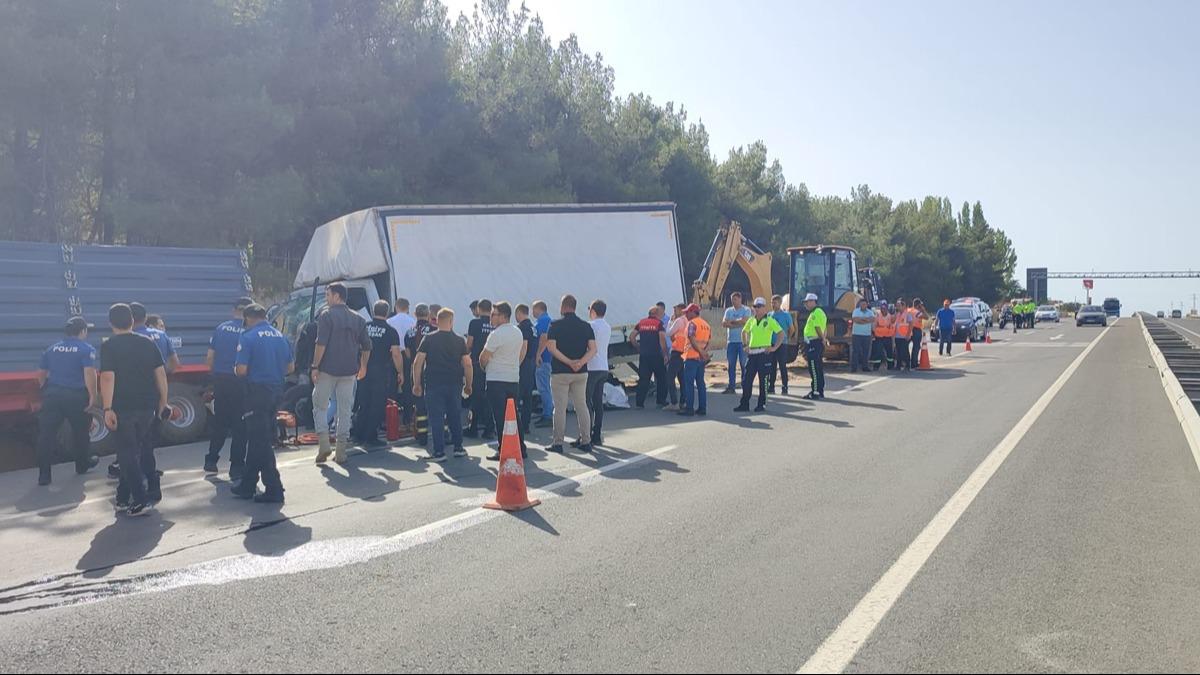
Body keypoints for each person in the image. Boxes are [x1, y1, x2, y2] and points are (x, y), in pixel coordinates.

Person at [100, 303, 168, 517]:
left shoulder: (109, 345)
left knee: (127, 454)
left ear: (110, 323)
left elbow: (108, 377)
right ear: (132, 321)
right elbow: (161, 375)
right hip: (147, 406)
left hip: (123, 407)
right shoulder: (148, 343)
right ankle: (122, 497)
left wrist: (107, 408)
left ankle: (140, 499)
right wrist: (163, 402)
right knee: (137, 449)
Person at [232, 304, 294, 503]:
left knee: (261, 441)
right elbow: (290, 367)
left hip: (256, 392)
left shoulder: (248, 337)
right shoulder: (280, 336)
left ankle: (274, 487)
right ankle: (248, 485)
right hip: (276, 390)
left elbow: (241, 370)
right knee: (259, 438)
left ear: (248, 317)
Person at [312, 282, 372, 465]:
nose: (326, 298)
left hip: (328, 369)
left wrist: (315, 365)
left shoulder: (326, 316)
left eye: (328, 294)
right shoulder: (359, 319)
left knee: (320, 405)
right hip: (349, 371)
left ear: (337, 296)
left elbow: (320, 343)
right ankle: (341, 451)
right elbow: (367, 346)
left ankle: (323, 443)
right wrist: (363, 366)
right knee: (345, 410)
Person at [36, 316, 100, 486]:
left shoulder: (52, 349)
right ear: (83, 331)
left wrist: (44, 389)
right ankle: (82, 464)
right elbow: (89, 373)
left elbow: (41, 373)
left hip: (53, 395)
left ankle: (44, 475)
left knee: (46, 436)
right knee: (80, 433)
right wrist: (93, 395)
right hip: (76, 396)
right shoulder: (86, 349)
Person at [412, 308, 473, 462]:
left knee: (436, 418)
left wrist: (416, 383)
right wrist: (469, 384)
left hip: (433, 384)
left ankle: (439, 452)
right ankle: (458, 447)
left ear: (437, 321)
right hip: (454, 384)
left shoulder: (428, 339)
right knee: (455, 415)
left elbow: (418, 362)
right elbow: (467, 364)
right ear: (452, 321)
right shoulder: (460, 340)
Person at [204, 297, 253, 478]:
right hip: (241, 382)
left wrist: (214, 377)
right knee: (241, 425)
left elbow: (210, 358)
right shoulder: (249, 331)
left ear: (234, 310)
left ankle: (211, 460)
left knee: (220, 422)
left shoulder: (221, 328)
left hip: (221, 381)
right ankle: (236, 466)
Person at [546, 294, 596, 454]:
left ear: (563, 306)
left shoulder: (555, 325)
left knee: (559, 408)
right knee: (581, 406)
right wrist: (580, 362)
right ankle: (586, 440)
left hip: (561, 372)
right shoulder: (585, 326)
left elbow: (551, 348)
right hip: (581, 373)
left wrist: (568, 361)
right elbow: (593, 349)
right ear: (574, 307)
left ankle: (558, 443)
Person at [352, 300, 404, 448]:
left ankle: (358, 435)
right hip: (380, 371)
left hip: (363, 369)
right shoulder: (390, 331)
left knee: (363, 403)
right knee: (377, 404)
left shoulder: (364, 327)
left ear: (374, 311)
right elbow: (395, 354)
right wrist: (400, 372)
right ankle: (370, 436)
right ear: (387, 312)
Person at [481, 302, 527, 459]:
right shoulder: (517, 332)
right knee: (514, 415)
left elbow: (484, 357)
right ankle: (521, 447)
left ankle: (503, 450)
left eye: (494, 314)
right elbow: (521, 353)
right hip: (513, 378)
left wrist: (483, 366)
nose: (491, 317)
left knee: (500, 417)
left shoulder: (496, 334)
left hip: (496, 379)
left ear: (502, 316)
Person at [735, 297, 783, 412]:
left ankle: (762, 404)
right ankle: (744, 404)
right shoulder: (751, 320)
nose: (757, 309)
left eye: (759, 306)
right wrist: (745, 344)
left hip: (764, 353)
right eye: (755, 307)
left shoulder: (770, 320)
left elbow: (781, 333)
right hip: (752, 353)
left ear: (764, 308)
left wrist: (774, 347)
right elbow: (744, 332)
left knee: (763, 380)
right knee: (746, 380)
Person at [404, 304, 438, 445]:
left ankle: (422, 436)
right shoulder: (434, 330)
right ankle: (444, 434)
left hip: (415, 369)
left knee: (419, 404)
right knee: (437, 403)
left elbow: (407, 353)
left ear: (415, 314)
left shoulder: (409, 332)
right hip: (432, 369)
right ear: (429, 314)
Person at [465, 299, 494, 439]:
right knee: (489, 396)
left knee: (476, 396)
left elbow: (469, 344)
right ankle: (490, 428)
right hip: (493, 364)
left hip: (477, 363)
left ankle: (473, 427)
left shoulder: (474, 323)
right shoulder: (495, 323)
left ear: (478, 308)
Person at [585, 300, 612, 446]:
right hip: (603, 366)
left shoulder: (591, 325)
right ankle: (597, 434)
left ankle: (586, 433)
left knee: (586, 401)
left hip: (592, 367)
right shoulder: (607, 326)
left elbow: (586, 345)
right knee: (598, 402)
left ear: (593, 311)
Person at [632, 306, 669, 409]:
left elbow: (632, 337)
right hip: (656, 355)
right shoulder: (658, 324)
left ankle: (639, 403)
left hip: (644, 356)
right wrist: (665, 354)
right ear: (657, 314)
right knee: (662, 378)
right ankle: (661, 401)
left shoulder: (641, 323)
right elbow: (662, 339)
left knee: (643, 379)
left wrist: (638, 347)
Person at [678, 303, 711, 416]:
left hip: (691, 357)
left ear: (693, 312)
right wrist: (703, 352)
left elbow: (692, 339)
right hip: (700, 359)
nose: (686, 314)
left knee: (689, 384)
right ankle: (702, 408)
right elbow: (707, 341)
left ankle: (689, 408)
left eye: (687, 312)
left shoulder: (692, 324)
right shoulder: (706, 325)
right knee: (701, 383)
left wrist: (700, 352)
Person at [387, 297, 416, 422]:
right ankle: (407, 417)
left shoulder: (389, 321)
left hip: (392, 355)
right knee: (407, 387)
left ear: (396, 307)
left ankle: (390, 418)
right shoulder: (413, 321)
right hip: (407, 355)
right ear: (408, 308)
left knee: (391, 386)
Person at [722, 292, 751, 393]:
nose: (733, 301)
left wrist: (732, 322)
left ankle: (745, 384)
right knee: (731, 364)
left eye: (735, 299)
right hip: (731, 342)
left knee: (744, 364)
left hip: (743, 341)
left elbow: (745, 321)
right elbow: (724, 323)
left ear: (740, 299)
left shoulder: (746, 309)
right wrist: (737, 323)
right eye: (732, 299)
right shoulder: (728, 310)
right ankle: (731, 386)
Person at [801, 293, 829, 400]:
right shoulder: (821, 312)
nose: (806, 304)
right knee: (818, 367)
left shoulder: (815, 313)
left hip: (813, 342)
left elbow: (818, 327)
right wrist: (824, 338)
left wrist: (822, 339)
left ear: (813, 301)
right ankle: (819, 390)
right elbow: (824, 328)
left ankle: (816, 391)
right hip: (816, 342)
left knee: (813, 368)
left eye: (807, 302)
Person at [516, 304, 538, 436]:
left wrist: (517, 363)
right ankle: (526, 424)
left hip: (523, 363)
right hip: (531, 363)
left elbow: (524, 347)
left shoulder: (523, 327)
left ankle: (519, 426)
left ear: (519, 313)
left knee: (518, 395)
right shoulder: (532, 326)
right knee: (528, 396)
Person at [532, 300, 555, 428]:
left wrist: (538, 354)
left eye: (533, 309)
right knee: (546, 387)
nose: (532, 312)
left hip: (544, 359)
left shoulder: (543, 320)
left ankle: (547, 415)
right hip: (548, 358)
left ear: (538, 309)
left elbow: (543, 338)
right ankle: (548, 413)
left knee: (543, 387)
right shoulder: (548, 320)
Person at [768, 295, 794, 394]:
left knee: (782, 365)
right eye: (771, 302)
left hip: (782, 344)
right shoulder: (769, 315)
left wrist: (787, 337)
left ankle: (785, 386)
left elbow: (791, 329)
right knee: (772, 366)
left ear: (780, 303)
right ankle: (771, 386)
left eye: (775, 303)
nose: (773, 305)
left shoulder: (786, 315)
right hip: (771, 343)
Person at [665, 302, 689, 410]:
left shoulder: (679, 321)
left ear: (681, 310)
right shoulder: (687, 320)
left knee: (670, 378)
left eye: (675, 310)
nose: (674, 312)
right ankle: (683, 402)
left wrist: (670, 321)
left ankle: (674, 403)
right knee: (682, 379)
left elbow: (669, 333)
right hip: (684, 351)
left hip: (676, 352)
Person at [871, 302, 896, 371]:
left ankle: (890, 366)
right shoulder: (878, 316)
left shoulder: (890, 316)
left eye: (885, 308)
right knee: (878, 352)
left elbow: (892, 325)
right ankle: (876, 366)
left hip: (888, 337)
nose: (883, 310)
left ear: (887, 309)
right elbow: (874, 326)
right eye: (882, 308)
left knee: (889, 352)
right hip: (879, 337)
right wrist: (874, 333)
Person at [892, 299, 913, 373]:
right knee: (898, 351)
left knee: (904, 351)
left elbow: (911, 324)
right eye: (897, 306)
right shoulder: (897, 314)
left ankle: (907, 365)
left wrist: (908, 335)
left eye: (899, 306)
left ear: (903, 306)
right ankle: (898, 365)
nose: (898, 307)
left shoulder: (908, 314)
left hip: (905, 336)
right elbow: (893, 322)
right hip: (898, 336)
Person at [909, 299, 927, 370]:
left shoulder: (909, 310)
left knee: (905, 346)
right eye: (920, 305)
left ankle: (907, 362)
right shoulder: (917, 312)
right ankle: (914, 363)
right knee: (916, 347)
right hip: (916, 330)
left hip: (908, 329)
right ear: (918, 305)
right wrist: (923, 310)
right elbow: (926, 317)